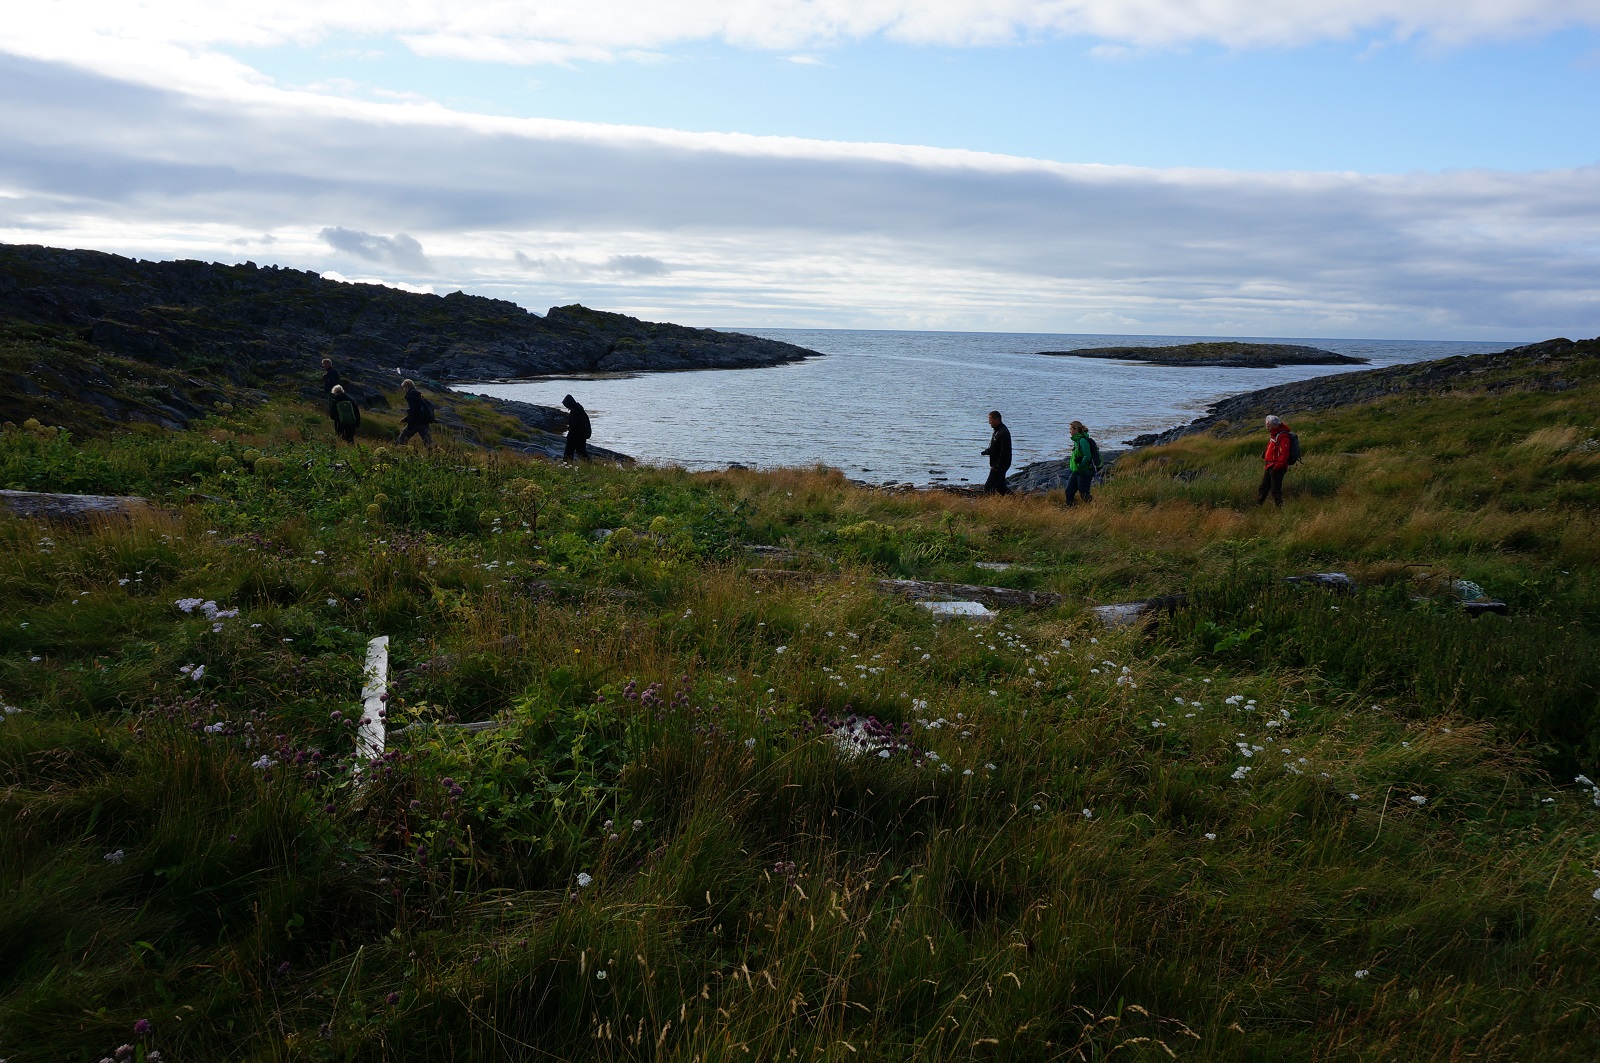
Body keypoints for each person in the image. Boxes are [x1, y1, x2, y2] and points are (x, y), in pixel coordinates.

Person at [1257, 414, 1292, 507]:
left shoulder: (1283, 436)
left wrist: (1277, 466)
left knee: (1275, 490)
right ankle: (1258, 506)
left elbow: (1284, 454)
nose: (1267, 427)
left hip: (1276, 467)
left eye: (1268, 425)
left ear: (1275, 425)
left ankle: (1280, 508)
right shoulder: (1274, 435)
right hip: (1270, 466)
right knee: (1263, 488)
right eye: (1266, 425)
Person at [1064, 420, 1095, 505]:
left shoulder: (1082, 441)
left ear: (1076, 429)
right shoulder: (1076, 441)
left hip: (1084, 471)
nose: (1069, 431)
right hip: (1076, 471)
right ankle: (1071, 510)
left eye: (1071, 429)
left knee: (1084, 494)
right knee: (1069, 492)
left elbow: (1087, 456)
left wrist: (1081, 465)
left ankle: (1093, 509)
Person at [981, 410, 1012, 494]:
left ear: (997, 420)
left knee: (988, 486)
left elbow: (1005, 452)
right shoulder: (997, 431)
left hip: (1000, 465)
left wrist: (997, 465)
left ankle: (988, 505)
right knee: (1000, 487)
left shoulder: (1003, 432)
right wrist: (986, 452)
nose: (989, 422)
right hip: (998, 464)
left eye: (990, 420)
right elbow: (995, 448)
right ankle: (1016, 500)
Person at [398, 379, 434, 447]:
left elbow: (413, 411)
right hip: (425, 422)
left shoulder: (410, 396)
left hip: (416, 422)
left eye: (404, 388)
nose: (404, 390)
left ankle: (400, 452)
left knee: (402, 439)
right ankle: (434, 455)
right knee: (428, 443)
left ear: (407, 386)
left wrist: (409, 425)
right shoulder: (419, 395)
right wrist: (406, 419)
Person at [562, 394, 591, 461]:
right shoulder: (580, 410)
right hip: (582, 436)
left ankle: (566, 466)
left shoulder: (574, 412)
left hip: (575, 436)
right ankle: (590, 466)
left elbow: (574, 426)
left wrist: (569, 435)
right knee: (582, 453)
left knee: (568, 454)